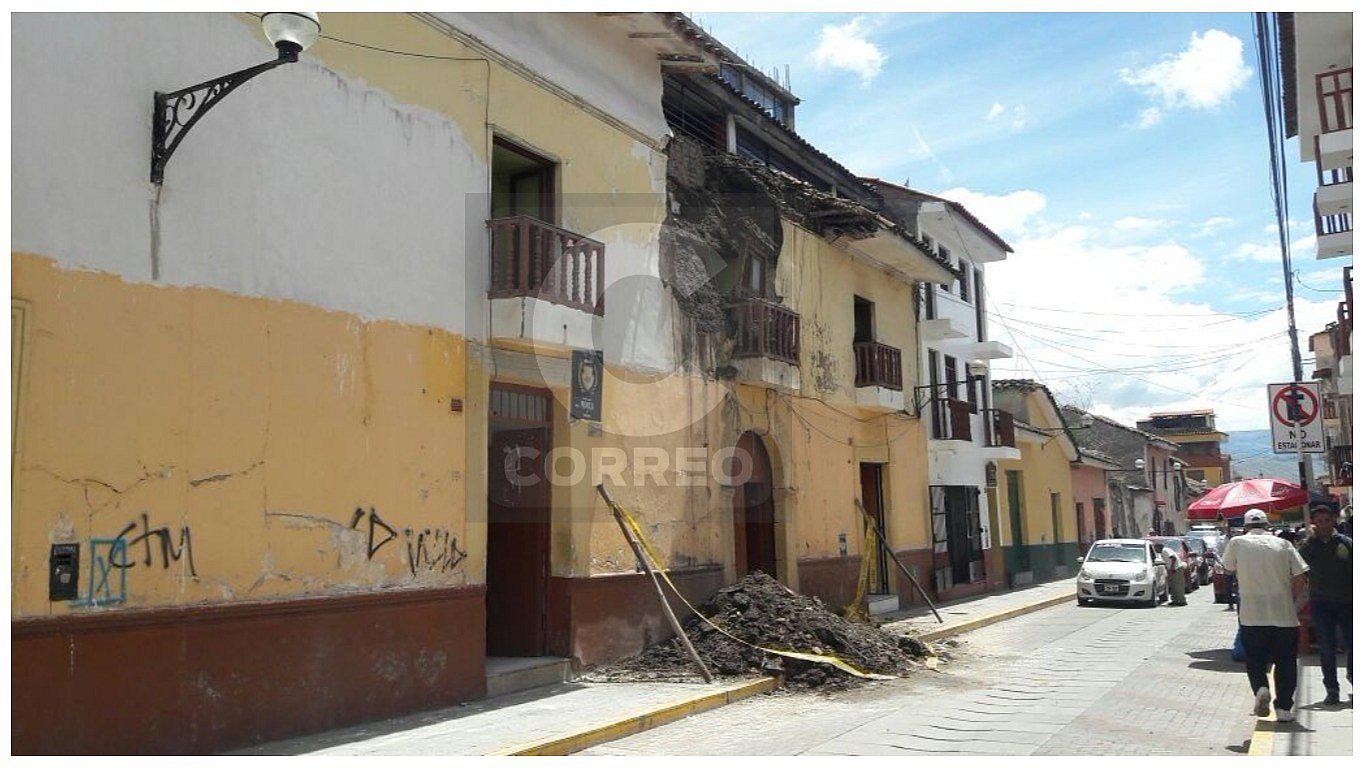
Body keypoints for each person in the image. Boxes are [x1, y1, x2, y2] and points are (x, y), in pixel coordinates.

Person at [1222, 509, 1310, 722]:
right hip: (1284, 615)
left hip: (1252, 615)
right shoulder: (1283, 544)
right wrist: (1293, 603)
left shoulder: (1237, 543)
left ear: (1245, 527)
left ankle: (1261, 688)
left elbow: (1227, 568)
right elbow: (1301, 577)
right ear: (1267, 525)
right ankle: (1284, 709)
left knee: (1254, 659)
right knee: (1286, 661)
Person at [1298, 505, 1353, 705]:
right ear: (1314, 523)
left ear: (1334, 521)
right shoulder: (1308, 546)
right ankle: (1332, 689)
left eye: (1326, 521)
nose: (1323, 525)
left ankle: (1353, 674)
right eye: (1319, 522)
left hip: (1348, 602)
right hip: (1321, 604)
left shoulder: (1346, 544)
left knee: (1354, 644)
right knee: (1326, 647)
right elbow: (1296, 568)